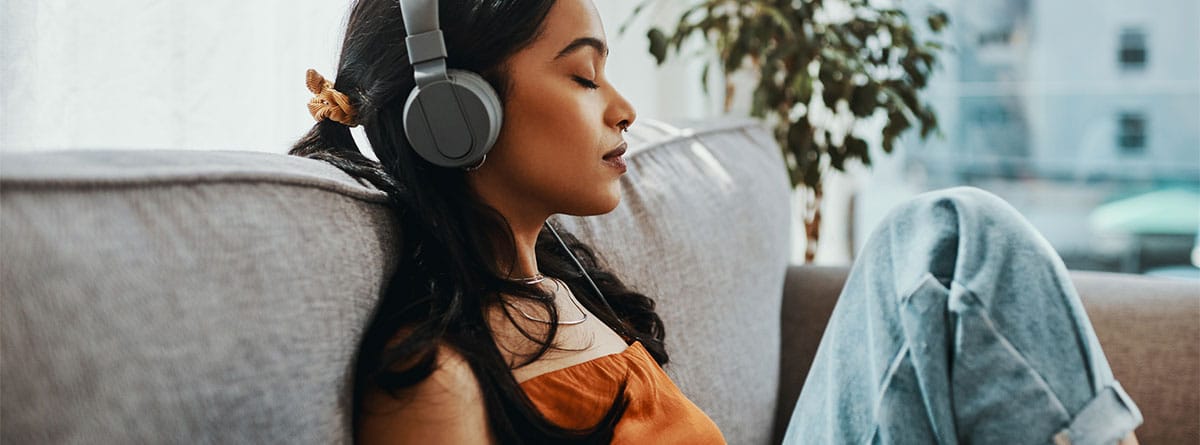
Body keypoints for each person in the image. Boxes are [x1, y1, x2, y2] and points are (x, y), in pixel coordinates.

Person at [289, 0, 1143, 443]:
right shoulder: (437, 381)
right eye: (585, 78)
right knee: (954, 239)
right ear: (454, 115)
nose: (622, 109)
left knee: (947, 237)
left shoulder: (562, 280)